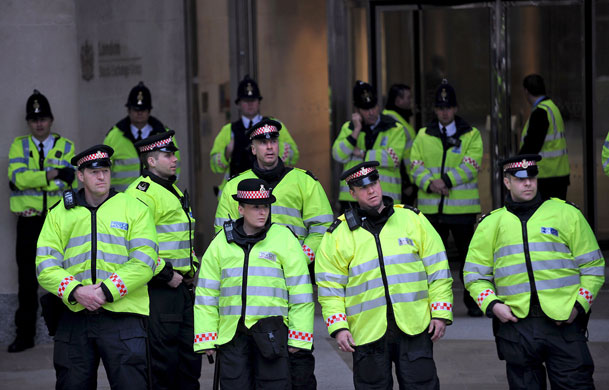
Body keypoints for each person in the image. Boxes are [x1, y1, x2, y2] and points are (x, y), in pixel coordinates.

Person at [464, 154, 604, 389]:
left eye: (532, 177)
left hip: (564, 323)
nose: (528, 183)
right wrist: (493, 305)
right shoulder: (490, 224)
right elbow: (473, 276)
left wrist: (579, 305)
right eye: (520, 179)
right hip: (516, 326)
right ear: (507, 182)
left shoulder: (567, 214)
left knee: (576, 384)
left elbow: (593, 267)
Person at [315, 161, 453, 389]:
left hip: (414, 326)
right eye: (363, 188)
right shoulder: (338, 234)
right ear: (352, 193)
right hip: (367, 332)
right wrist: (338, 327)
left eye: (374, 183)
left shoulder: (412, 219)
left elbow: (438, 269)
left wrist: (440, 312)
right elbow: (329, 288)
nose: (371, 190)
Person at [215, 119, 331, 389]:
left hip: (291, 285)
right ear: (252, 148)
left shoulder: (303, 181)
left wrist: (301, 257)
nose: (269, 147)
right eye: (262, 143)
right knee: (250, 370)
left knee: (297, 367)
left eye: (273, 141)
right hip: (250, 292)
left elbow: (324, 228)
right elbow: (222, 238)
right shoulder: (234, 188)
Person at [35, 144, 159, 388]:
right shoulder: (59, 213)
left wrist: (105, 291)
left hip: (123, 317)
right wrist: (76, 291)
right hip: (74, 318)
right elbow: (45, 263)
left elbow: (145, 260)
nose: (101, 176)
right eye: (94, 172)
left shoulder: (133, 208)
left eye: (105, 170)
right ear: (80, 175)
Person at [195, 178, 314, 389]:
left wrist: (299, 338)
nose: (263, 212)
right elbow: (206, 294)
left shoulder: (284, 238)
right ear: (240, 208)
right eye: (256, 207)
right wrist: (206, 337)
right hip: (232, 336)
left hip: (272, 335)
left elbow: (301, 292)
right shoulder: (222, 242)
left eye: (266, 206)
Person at [125, 131, 202, 389]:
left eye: (174, 155)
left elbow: (180, 237)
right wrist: (166, 274)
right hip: (159, 288)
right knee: (163, 364)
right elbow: (135, 243)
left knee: (189, 361)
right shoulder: (141, 193)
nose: (174, 159)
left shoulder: (171, 188)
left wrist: (191, 267)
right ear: (151, 161)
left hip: (182, 286)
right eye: (168, 155)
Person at [7, 89, 76, 352]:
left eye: (43, 118)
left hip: (59, 221)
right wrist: (54, 174)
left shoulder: (67, 146)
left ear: (51, 120)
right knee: (26, 280)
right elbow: (16, 178)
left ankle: (68, 330)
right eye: (34, 119)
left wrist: (39, 176)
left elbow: (72, 180)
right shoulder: (19, 145)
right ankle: (25, 335)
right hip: (28, 221)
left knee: (64, 273)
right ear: (28, 122)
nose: (39, 123)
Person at [409, 79, 483, 317]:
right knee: (431, 260)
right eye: (440, 107)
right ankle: (432, 304)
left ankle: (473, 303)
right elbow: (415, 165)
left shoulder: (471, 135)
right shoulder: (423, 134)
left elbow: (471, 165)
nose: (444, 111)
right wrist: (431, 184)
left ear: (456, 108)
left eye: (448, 107)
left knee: (468, 259)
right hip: (432, 210)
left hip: (462, 210)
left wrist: (446, 181)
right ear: (435, 109)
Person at [209, 75, 299, 196]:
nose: (250, 104)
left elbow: (294, 155)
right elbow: (214, 166)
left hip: (270, 189)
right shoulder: (229, 130)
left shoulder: (274, 126)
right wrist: (227, 152)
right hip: (237, 193)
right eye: (246, 101)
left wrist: (274, 146)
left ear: (259, 102)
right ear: (239, 104)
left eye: (253, 100)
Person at [332, 81, 406, 212]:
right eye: (366, 109)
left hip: (384, 197)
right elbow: (338, 155)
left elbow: (393, 158)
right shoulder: (349, 128)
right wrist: (355, 132)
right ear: (357, 110)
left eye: (373, 107)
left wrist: (362, 153)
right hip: (352, 198)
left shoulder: (394, 128)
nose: (371, 112)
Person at [104, 81, 180, 191]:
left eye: (143, 109)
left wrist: (167, 190)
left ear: (149, 111)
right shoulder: (114, 136)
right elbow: (104, 169)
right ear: (129, 110)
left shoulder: (164, 134)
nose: (139, 113)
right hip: (123, 200)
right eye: (136, 109)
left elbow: (175, 167)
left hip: (156, 197)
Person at [519, 74, 570, 200]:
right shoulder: (552, 107)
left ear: (526, 91)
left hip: (547, 177)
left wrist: (516, 164)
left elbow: (532, 145)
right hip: (559, 174)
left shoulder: (541, 112)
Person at [383, 83, 417, 205]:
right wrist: (406, 184)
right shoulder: (393, 121)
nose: (411, 101)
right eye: (408, 98)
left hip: (404, 181)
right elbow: (398, 155)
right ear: (398, 101)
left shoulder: (397, 118)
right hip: (402, 183)